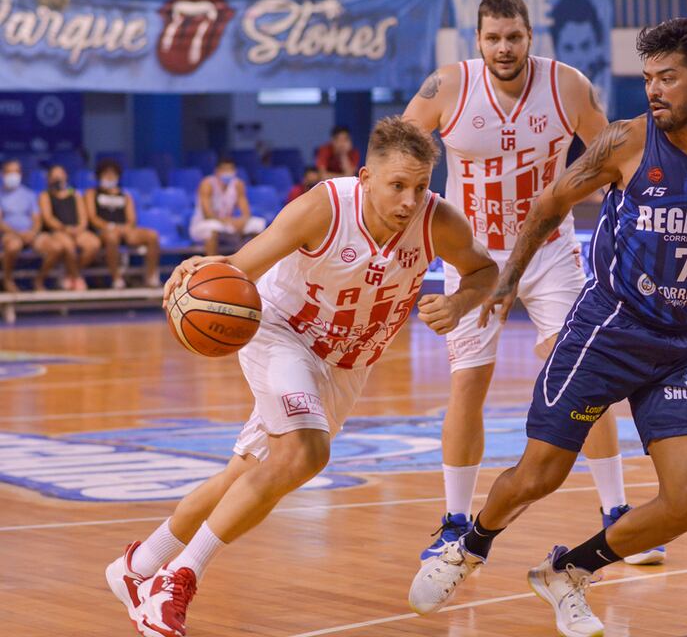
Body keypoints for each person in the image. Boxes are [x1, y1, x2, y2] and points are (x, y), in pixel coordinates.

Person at [408, 18, 687, 636]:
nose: (654, 89)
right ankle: (469, 547)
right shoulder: (626, 141)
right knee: (540, 475)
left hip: (678, 345)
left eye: (668, 78)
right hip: (605, 333)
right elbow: (550, 202)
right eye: (648, 78)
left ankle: (568, 571)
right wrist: (506, 282)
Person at [104, 117, 497, 637]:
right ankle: (175, 580)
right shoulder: (325, 207)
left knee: (247, 476)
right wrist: (202, 271)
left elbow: (485, 271)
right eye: (398, 185)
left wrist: (460, 302)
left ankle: (137, 567)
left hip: (348, 364)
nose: (409, 200)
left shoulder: (437, 220)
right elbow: (241, 266)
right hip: (282, 334)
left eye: (420, 186)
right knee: (306, 453)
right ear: (365, 178)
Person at [403, 0, 662, 566]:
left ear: (530, 36)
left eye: (513, 37)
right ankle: (454, 522)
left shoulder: (567, 86)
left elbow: (616, 160)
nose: (504, 48)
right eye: (493, 38)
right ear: (477, 40)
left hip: (549, 252)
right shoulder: (447, 87)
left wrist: (641, 224)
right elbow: (398, 156)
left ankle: (616, 512)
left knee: (586, 379)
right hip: (474, 256)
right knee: (468, 383)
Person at [85, 160, 162, 288]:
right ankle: (117, 279)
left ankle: (151, 277)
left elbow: (131, 219)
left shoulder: (125, 196)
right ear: (99, 176)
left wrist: (125, 228)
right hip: (103, 231)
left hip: (124, 230)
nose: (110, 177)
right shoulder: (92, 193)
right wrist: (110, 227)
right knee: (112, 237)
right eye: (106, 174)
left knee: (152, 235)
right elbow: (92, 217)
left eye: (113, 174)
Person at [0, 159, 62, 292]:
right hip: (9, 235)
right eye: (9, 172)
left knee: (55, 247)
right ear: (2, 174)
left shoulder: (29, 194)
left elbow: (37, 219)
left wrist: (32, 232)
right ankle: (8, 280)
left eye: (16, 171)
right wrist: (18, 234)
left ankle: (39, 280)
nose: (13, 175)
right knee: (13, 246)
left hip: (31, 235)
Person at [38, 164, 101, 291]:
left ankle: (69, 274)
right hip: (57, 231)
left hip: (77, 230)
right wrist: (64, 229)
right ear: (49, 179)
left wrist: (79, 228)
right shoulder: (45, 195)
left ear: (66, 177)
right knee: (68, 244)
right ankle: (77, 277)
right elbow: (48, 218)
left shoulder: (75, 194)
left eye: (60, 175)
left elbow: (83, 217)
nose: (58, 178)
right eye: (54, 176)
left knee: (93, 244)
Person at [190, 158, 266, 257]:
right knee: (212, 228)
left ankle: (258, 262)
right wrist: (228, 221)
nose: (228, 172)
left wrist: (242, 221)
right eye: (225, 170)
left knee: (257, 224)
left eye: (230, 169)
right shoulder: (207, 184)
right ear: (217, 171)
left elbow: (246, 213)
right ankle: (212, 263)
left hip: (226, 225)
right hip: (204, 224)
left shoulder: (238, 184)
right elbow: (208, 215)